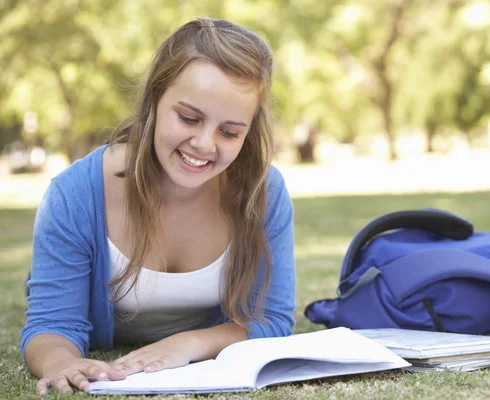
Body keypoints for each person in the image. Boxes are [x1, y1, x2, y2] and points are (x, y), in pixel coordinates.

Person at [21, 17, 296, 395]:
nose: (204, 143)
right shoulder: (75, 194)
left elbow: (272, 320)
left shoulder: (263, 192)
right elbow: (51, 325)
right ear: (154, 99)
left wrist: (189, 343)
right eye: (188, 117)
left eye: (230, 132)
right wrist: (62, 362)